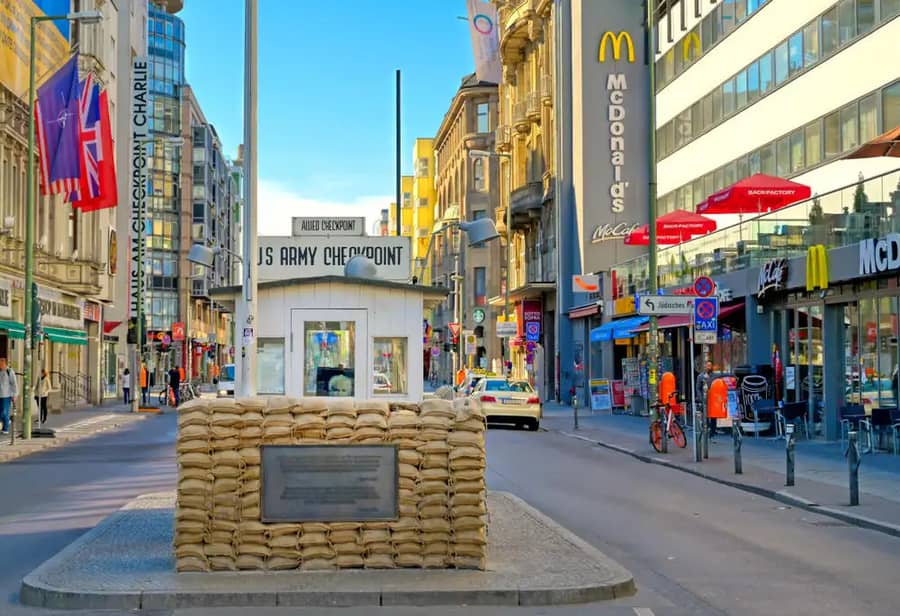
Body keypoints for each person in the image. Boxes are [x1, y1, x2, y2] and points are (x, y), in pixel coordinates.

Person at [696, 361, 717, 436]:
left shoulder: (715, 376)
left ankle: (713, 431)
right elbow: (698, 388)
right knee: (705, 415)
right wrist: (701, 398)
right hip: (704, 399)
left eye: (710, 365)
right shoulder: (700, 376)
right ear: (705, 366)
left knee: (714, 416)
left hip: (713, 399)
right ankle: (706, 429)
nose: (708, 367)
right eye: (707, 365)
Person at [0, 357, 16, 434]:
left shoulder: (9, 371)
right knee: (2, 412)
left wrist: (14, 395)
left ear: (5, 363)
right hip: (0, 395)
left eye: (1, 362)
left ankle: (5, 428)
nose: (0, 364)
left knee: (4, 412)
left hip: (6, 395)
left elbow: (14, 384)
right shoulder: (0, 371)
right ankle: (5, 424)